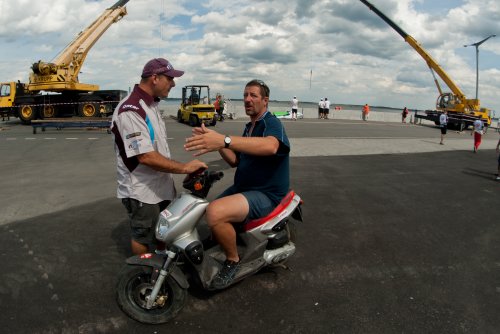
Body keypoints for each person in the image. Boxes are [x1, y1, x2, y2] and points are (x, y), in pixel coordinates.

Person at [184, 79, 290, 289]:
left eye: (253, 95)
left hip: (265, 193)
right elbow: (236, 161)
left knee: (215, 212)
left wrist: (224, 140)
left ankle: (233, 260)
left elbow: (271, 146)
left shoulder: (271, 123)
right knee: (206, 209)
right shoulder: (249, 127)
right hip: (246, 188)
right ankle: (222, 240)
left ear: (265, 101)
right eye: (245, 95)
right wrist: (215, 143)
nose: (247, 100)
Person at [110, 58, 207, 255]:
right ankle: (146, 275)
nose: (173, 83)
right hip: (141, 189)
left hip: (160, 184)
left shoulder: (151, 105)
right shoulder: (131, 110)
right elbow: (145, 157)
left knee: (163, 230)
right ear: (155, 78)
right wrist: (185, 168)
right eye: (170, 78)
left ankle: (161, 264)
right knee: (143, 236)